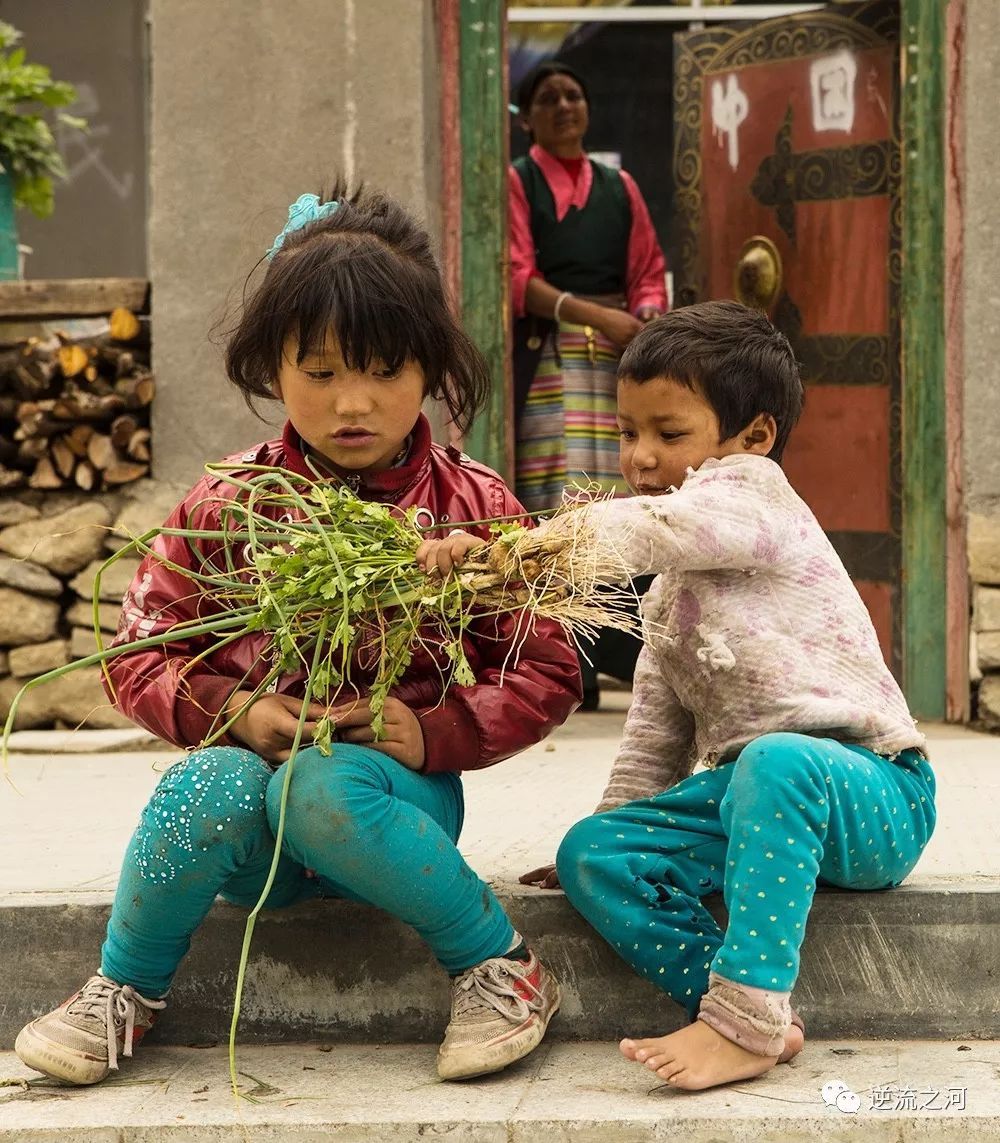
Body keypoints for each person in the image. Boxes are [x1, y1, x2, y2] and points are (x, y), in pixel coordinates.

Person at [14, 184, 580, 1087]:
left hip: (391, 813)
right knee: (207, 785)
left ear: (431, 369)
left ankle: (500, 964)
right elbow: (139, 647)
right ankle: (122, 989)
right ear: (272, 370)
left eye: (385, 371)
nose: (352, 403)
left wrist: (432, 731)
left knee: (320, 785)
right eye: (320, 374)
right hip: (252, 847)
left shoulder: (475, 509)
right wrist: (232, 709)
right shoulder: (227, 503)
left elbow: (547, 662)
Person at [417, 301, 936, 1092]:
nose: (641, 458)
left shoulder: (757, 500)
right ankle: (745, 1008)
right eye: (628, 434)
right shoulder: (670, 594)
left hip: (874, 792)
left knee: (778, 761)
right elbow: (655, 731)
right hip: (754, 798)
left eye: (669, 433)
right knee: (594, 854)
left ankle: (745, 1018)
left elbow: (656, 524)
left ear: (753, 437)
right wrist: (617, 819)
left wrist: (507, 552)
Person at [510, 60, 668, 709]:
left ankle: (623, 652)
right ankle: (566, 663)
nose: (566, 105)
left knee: (619, 503)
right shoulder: (518, 183)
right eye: (550, 98)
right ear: (528, 119)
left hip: (617, 364)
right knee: (560, 504)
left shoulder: (618, 185)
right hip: (552, 357)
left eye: (575, 94)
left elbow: (649, 268)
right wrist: (597, 314)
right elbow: (517, 276)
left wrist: (648, 314)